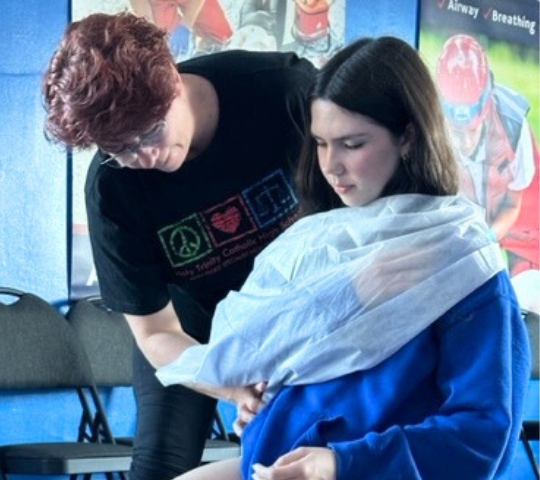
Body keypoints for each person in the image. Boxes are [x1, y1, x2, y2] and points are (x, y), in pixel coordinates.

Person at [160, 36, 530, 480]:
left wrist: (339, 463)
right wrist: (269, 405)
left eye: (352, 144)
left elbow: (481, 437)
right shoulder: (320, 244)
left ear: (408, 136)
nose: (330, 165)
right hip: (279, 462)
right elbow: (322, 380)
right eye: (320, 143)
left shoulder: (462, 264)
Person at [42, 12, 316, 480]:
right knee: (159, 465)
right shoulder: (113, 189)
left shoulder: (285, 93)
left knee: (306, 450)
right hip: (191, 322)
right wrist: (231, 387)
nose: (144, 158)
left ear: (172, 78)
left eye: (150, 133)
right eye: (121, 149)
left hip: (300, 302)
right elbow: (154, 334)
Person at [436, 33, 539, 277]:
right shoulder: (423, 124)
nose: (466, 143)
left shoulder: (513, 127)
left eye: (472, 131)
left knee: (529, 287)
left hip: (521, 217)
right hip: (459, 223)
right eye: (457, 133)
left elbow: (514, 204)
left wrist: (488, 238)